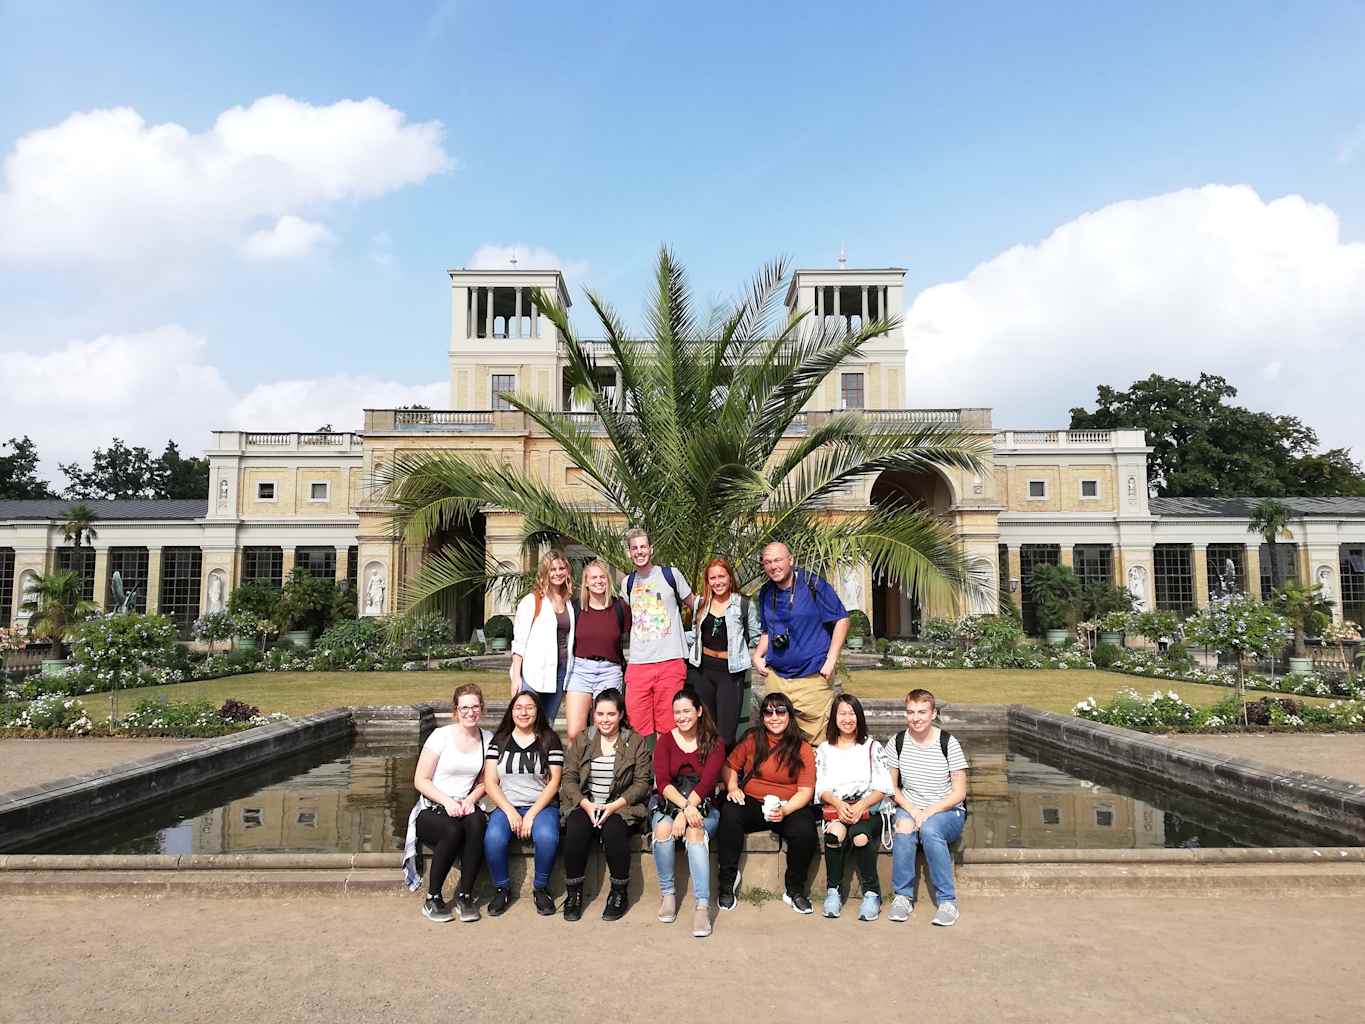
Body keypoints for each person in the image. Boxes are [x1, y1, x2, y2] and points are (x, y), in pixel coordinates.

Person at [716, 691, 819, 914]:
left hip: (787, 804)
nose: (774, 717)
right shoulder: (753, 738)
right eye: (768, 712)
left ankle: (795, 889)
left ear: (789, 715)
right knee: (730, 812)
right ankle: (727, 881)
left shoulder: (802, 747)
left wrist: (786, 809)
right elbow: (729, 767)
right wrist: (733, 787)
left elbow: (805, 790)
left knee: (805, 830)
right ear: (762, 716)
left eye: (780, 711)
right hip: (752, 801)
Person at [558, 688, 653, 921]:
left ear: (621, 714)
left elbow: (642, 783)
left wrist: (614, 806)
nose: (605, 720)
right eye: (600, 714)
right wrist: (585, 804)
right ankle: (574, 893)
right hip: (587, 803)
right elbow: (568, 776)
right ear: (593, 714)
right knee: (576, 829)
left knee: (614, 832)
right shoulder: (584, 739)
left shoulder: (635, 741)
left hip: (621, 806)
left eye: (611, 714)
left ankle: (619, 892)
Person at [402, 683, 491, 923]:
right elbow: (421, 780)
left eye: (475, 707)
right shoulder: (440, 736)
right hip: (432, 808)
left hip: (465, 806)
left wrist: (471, 799)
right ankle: (432, 898)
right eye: (464, 708)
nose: (470, 712)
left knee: (477, 824)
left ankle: (465, 895)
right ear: (455, 711)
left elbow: (487, 782)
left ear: (482, 708)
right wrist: (448, 801)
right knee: (452, 830)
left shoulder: (488, 739)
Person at [885, 688, 968, 927]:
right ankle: (902, 897)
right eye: (910, 712)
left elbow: (959, 793)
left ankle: (947, 901)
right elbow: (892, 788)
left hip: (947, 811)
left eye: (922, 712)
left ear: (932, 714)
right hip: (910, 806)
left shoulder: (948, 743)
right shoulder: (897, 742)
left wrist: (928, 812)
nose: (916, 718)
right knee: (903, 828)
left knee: (931, 830)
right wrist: (913, 811)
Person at [751, 542, 849, 743]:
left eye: (778, 560)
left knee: (817, 744)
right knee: (776, 744)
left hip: (811, 679)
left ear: (791, 560)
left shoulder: (814, 585)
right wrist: (757, 655)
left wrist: (831, 660)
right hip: (776, 679)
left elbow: (842, 619)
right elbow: (768, 629)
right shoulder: (766, 592)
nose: (773, 566)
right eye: (768, 562)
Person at [482, 691, 564, 917]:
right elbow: (490, 782)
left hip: (541, 806)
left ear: (538, 711)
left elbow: (554, 782)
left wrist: (531, 815)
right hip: (507, 805)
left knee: (547, 837)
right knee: (493, 838)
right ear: (511, 711)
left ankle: (540, 888)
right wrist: (509, 811)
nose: (523, 712)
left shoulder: (549, 739)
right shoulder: (499, 741)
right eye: (518, 707)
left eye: (529, 707)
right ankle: (502, 888)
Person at [652, 687, 725, 937]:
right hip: (671, 802)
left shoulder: (714, 742)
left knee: (694, 833)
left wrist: (687, 812)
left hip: (703, 805)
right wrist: (683, 808)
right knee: (662, 828)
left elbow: (706, 783)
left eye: (687, 711)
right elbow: (662, 782)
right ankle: (668, 894)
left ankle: (702, 906)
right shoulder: (665, 741)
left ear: (699, 711)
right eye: (677, 713)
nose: (681, 717)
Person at [814, 693, 890, 921]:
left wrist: (861, 805)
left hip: (869, 809)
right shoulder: (825, 749)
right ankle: (833, 891)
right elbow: (822, 787)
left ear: (859, 716)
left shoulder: (872, 746)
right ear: (834, 718)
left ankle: (871, 892)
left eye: (852, 713)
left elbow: (883, 786)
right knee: (834, 835)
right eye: (842, 714)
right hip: (838, 809)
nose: (848, 719)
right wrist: (838, 803)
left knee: (860, 837)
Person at [621, 527, 699, 737]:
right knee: (637, 726)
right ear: (629, 552)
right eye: (634, 548)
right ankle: (643, 770)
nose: (639, 551)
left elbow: (697, 607)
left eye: (643, 547)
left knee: (669, 728)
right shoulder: (626, 583)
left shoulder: (670, 575)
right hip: (638, 664)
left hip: (670, 661)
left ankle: (664, 770)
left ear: (651, 549)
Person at [685, 557, 762, 749]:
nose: (717, 582)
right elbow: (695, 634)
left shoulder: (743, 604)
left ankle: (726, 774)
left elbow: (756, 635)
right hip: (702, 670)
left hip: (730, 673)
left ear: (730, 578)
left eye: (722, 576)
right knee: (705, 729)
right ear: (707, 580)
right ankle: (707, 774)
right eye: (713, 578)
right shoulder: (700, 604)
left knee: (726, 733)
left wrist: (744, 651)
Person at [565, 560, 630, 741]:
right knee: (574, 733)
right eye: (594, 577)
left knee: (605, 731)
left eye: (602, 577)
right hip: (580, 671)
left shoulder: (620, 607)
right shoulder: (575, 607)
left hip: (610, 671)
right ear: (586, 582)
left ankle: (603, 769)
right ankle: (574, 770)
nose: (598, 581)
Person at [510, 548, 576, 725]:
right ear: (545, 572)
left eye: (561, 569)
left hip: (560, 672)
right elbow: (519, 642)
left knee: (548, 723)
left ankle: (544, 753)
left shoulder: (569, 602)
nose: (557, 573)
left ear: (567, 571)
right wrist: (516, 677)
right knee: (528, 722)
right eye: (552, 569)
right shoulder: (532, 601)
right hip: (534, 673)